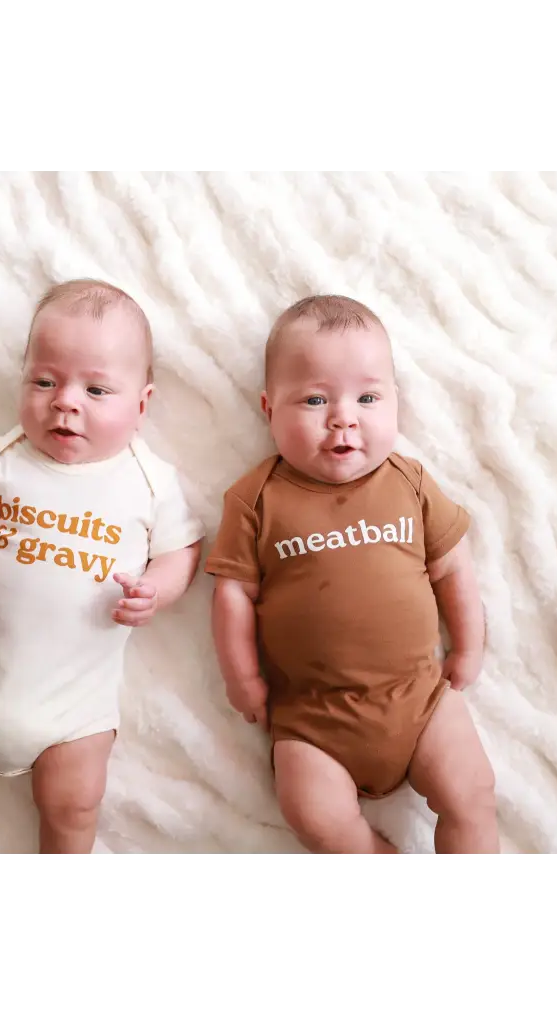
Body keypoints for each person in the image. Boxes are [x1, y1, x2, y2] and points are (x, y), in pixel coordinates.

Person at [0, 279, 205, 855]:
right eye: (44, 381)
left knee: (73, 802)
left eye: (97, 389)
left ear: (141, 404)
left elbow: (182, 551)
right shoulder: (0, 456)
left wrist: (154, 592)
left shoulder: (149, 481)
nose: (65, 401)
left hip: (74, 707)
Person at [205, 294, 498, 855]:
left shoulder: (408, 482)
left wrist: (468, 645)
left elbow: (452, 566)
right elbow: (233, 594)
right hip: (311, 721)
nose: (344, 417)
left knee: (473, 794)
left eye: (367, 397)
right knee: (315, 819)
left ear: (395, 403)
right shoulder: (257, 497)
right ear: (269, 409)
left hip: (420, 699)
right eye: (314, 399)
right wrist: (241, 678)